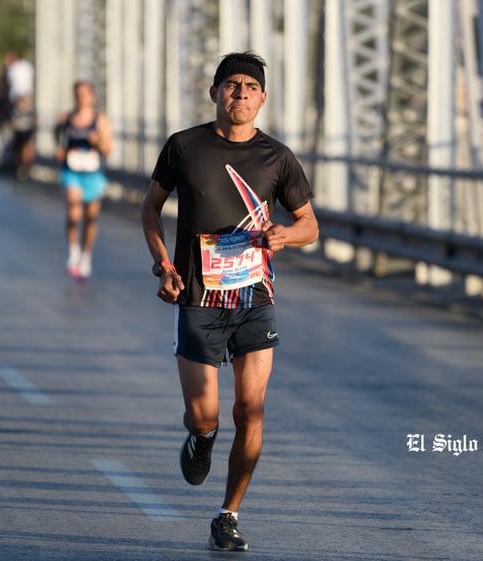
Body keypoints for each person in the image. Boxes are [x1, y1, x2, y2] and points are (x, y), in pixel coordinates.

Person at [140, 51, 319, 552]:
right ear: (215, 92)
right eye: (231, 85)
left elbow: (310, 225)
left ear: (263, 99)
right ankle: (201, 438)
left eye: (249, 87)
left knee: (251, 410)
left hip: (254, 298)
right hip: (198, 299)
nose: (240, 93)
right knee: (205, 415)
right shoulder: (184, 147)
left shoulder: (277, 158)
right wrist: (163, 264)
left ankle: (228, 513)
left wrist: (285, 236)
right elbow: (151, 209)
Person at [55, 81, 112, 281]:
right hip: (72, 172)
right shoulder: (66, 118)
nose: (81, 98)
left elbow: (108, 149)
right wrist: (59, 149)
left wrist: (97, 141)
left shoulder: (99, 120)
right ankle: (73, 252)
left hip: (93, 174)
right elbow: (58, 135)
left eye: (84, 94)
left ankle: (86, 257)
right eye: (77, 94)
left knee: (90, 218)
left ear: (91, 97)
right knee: (73, 210)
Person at [10, 93, 37, 187]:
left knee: (27, 156)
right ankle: (18, 173)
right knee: (17, 157)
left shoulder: (30, 112)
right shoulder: (16, 112)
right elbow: (13, 124)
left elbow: (34, 123)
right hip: (18, 136)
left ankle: (26, 173)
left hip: (27, 136)